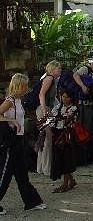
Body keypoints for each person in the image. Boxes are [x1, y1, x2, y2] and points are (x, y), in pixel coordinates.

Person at [0, 74, 47, 215]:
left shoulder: (19, 100)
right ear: (20, 85)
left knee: (21, 174)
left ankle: (32, 201)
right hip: (10, 141)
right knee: (5, 173)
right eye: (25, 85)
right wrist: (12, 121)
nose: (28, 87)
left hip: (19, 140)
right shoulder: (10, 100)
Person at [36, 60, 62, 177]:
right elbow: (41, 94)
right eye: (59, 68)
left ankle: (42, 167)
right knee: (47, 138)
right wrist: (44, 110)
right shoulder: (49, 78)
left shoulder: (50, 79)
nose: (60, 70)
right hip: (44, 110)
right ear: (53, 69)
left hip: (47, 109)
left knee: (45, 138)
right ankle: (46, 168)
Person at [50, 89, 78, 193]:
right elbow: (51, 119)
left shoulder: (74, 108)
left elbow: (68, 120)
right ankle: (71, 180)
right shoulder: (57, 107)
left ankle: (65, 183)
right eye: (63, 96)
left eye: (67, 97)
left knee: (66, 159)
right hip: (57, 135)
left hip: (67, 136)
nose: (65, 99)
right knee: (60, 159)